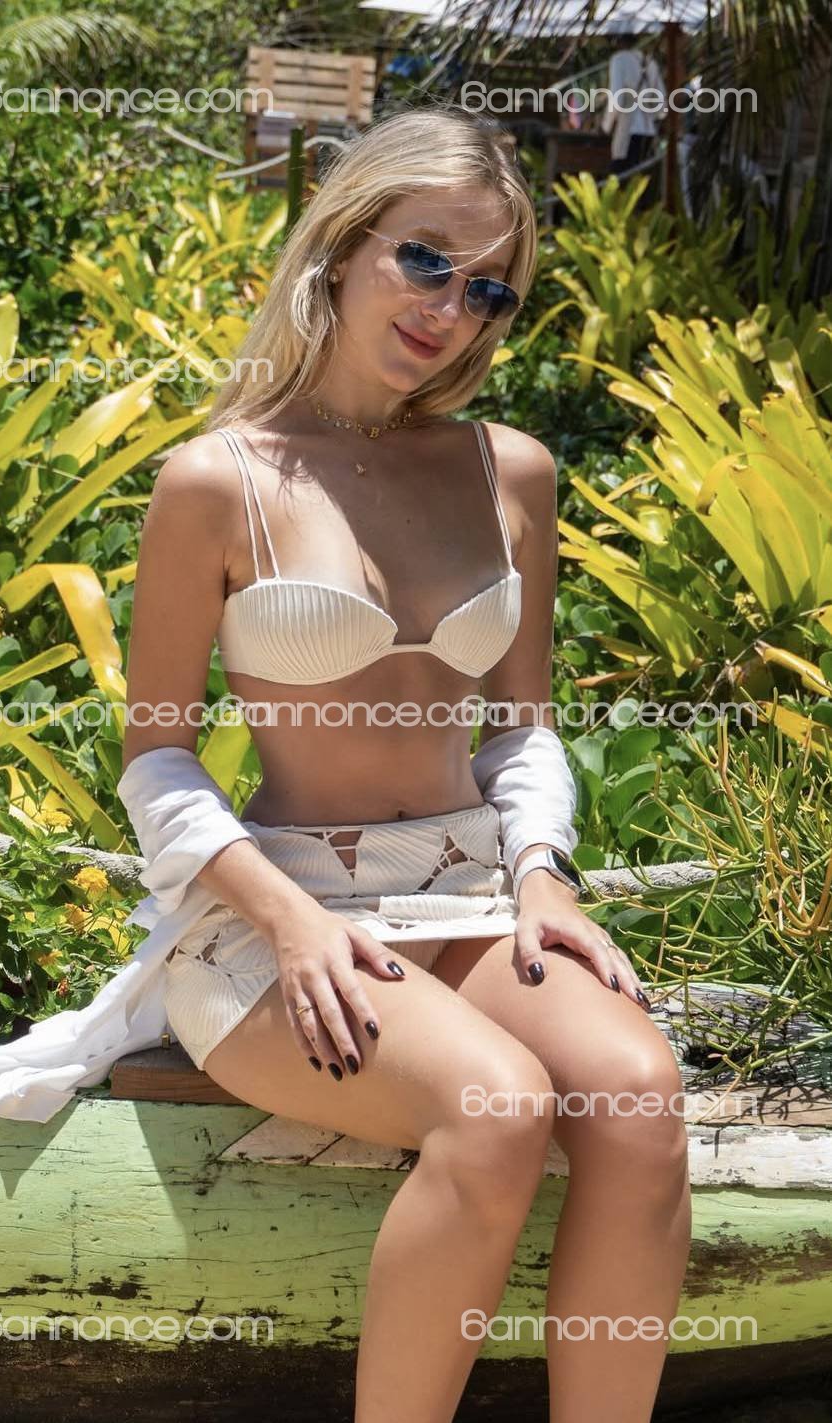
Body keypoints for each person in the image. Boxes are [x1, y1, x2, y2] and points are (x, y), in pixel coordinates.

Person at [119, 105, 691, 1422]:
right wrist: (287, 916)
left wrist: (540, 873)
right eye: (425, 259)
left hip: (466, 891)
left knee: (638, 1094)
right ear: (343, 244)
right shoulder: (216, 480)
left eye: (487, 289)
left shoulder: (510, 472)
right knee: (495, 1104)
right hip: (276, 916)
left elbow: (521, 726)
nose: (450, 310)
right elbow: (155, 750)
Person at [601, 31, 666, 177]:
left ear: (617, 41)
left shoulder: (618, 60)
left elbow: (616, 99)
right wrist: (652, 117)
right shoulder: (650, 62)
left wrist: (606, 126)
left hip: (628, 131)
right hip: (648, 133)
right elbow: (662, 103)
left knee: (622, 179)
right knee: (641, 180)